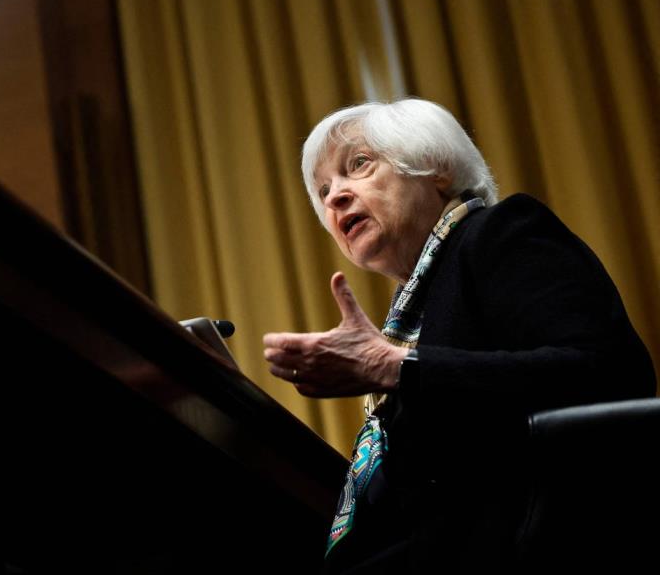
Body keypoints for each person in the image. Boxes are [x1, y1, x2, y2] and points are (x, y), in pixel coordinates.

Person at [262, 98, 655, 573]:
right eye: (324, 189)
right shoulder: (408, 312)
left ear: (436, 168)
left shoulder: (501, 233)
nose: (334, 197)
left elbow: (610, 372)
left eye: (358, 165)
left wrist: (393, 367)